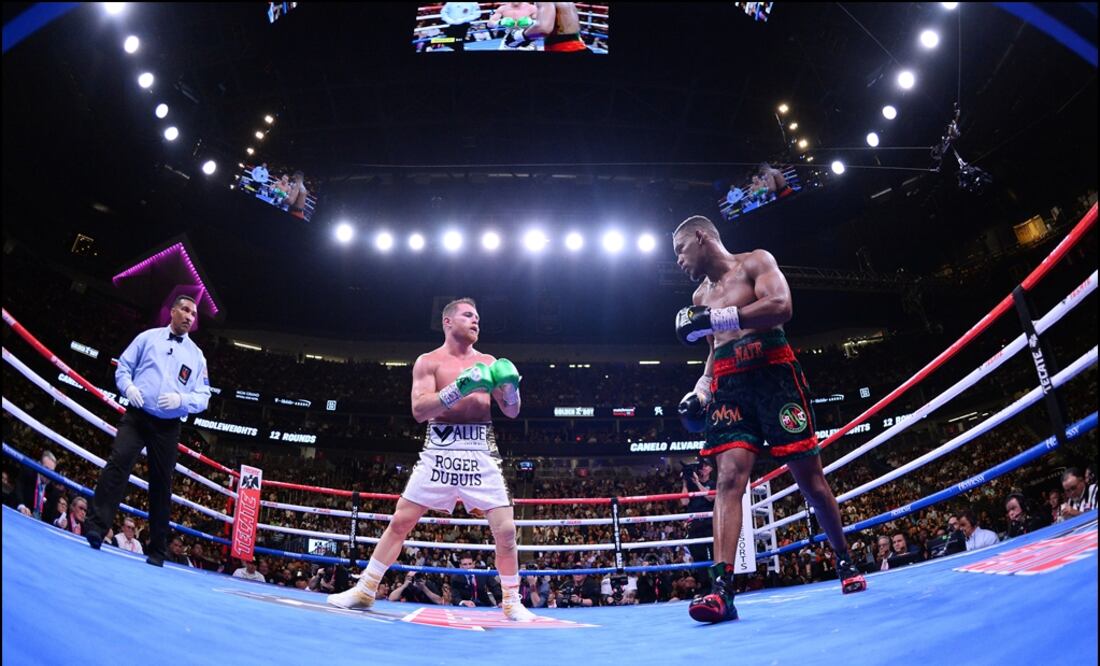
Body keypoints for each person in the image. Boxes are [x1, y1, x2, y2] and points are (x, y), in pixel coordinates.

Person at [672, 215, 866, 624]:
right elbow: (714, 347)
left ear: (701, 238)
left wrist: (721, 318)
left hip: (774, 375)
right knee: (727, 479)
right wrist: (701, 389)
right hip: (729, 385)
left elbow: (781, 307)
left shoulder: (755, 262)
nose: (678, 261)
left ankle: (845, 560)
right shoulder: (698, 299)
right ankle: (722, 591)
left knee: (808, 479)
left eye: (680, 250)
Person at [328, 298, 536, 621]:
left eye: (478, 316)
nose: (476, 320)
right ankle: (366, 589)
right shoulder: (428, 362)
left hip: (480, 449)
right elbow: (419, 411)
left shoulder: (489, 361)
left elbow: (511, 411)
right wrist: (460, 387)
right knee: (400, 521)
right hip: (439, 448)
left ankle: (511, 600)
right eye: (468, 315)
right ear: (448, 322)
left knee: (506, 531)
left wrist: (511, 389)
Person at [83, 294, 211, 568]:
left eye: (194, 314)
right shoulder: (147, 338)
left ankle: (157, 551)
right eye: (186, 310)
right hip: (137, 416)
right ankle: (96, 527)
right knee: (118, 464)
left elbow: (204, 396)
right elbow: (123, 368)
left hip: (168, 426)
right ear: (173, 311)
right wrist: (128, 388)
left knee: (162, 484)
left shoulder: (197, 356)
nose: (190, 317)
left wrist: (182, 401)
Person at [679, 458, 715, 583]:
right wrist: (685, 482)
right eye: (701, 466)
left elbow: (710, 497)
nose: (702, 468)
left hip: (710, 525)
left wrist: (698, 483)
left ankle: (717, 584)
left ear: (711, 469)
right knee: (699, 558)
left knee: (714, 557)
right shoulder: (690, 486)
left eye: (705, 466)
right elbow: (684, 502)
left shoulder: (713, 483)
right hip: (695, 526)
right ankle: (705, 586)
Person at [504, 2, 589, 53]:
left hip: (563, 52)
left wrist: (518, 36)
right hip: (579, 48)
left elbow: (544, 28)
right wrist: (529, 36)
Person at [16, 450, 60, 519]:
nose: (48, 474)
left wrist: (58, 522)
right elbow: (18, 491)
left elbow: (52, 515)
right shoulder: (28, 474)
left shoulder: (54, 491)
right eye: (46, 469)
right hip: (21, 517)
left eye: (51, 471)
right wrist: (22, 506)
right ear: (39, 465)